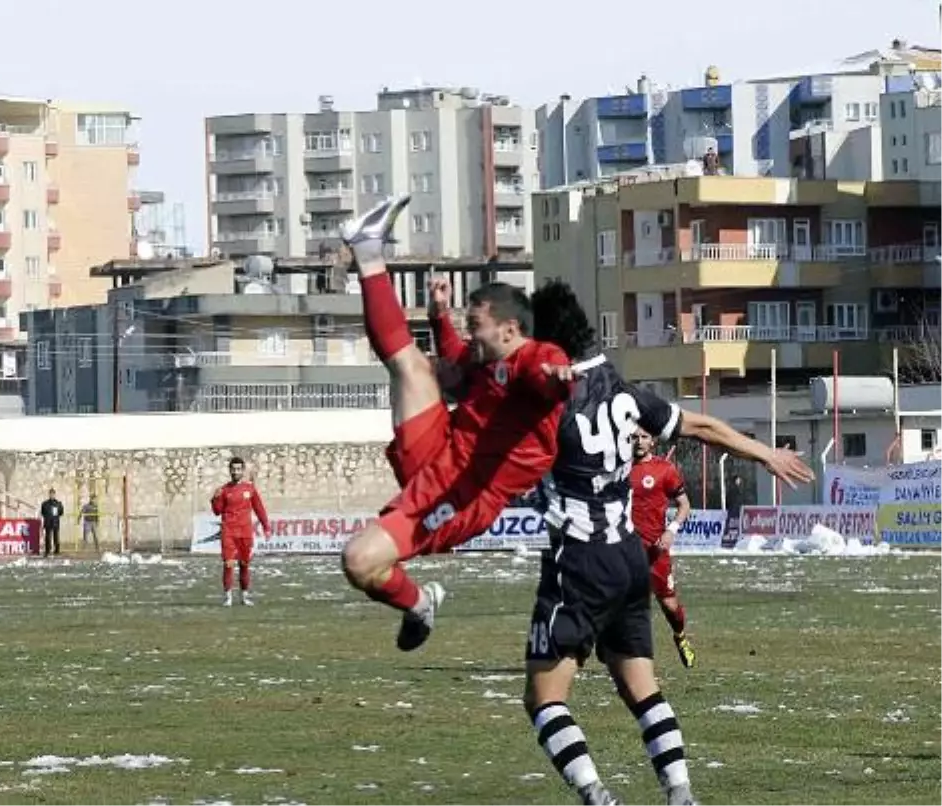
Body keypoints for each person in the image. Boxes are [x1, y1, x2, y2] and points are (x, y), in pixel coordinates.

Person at [521, 279, 814, 806]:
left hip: (579, 561)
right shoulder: (623, 393)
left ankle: (597, 796)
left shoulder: (546, 398)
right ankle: (681, 797)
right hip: (629, 559)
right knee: (641, 688)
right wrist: (765, 453)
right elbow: (701, 426)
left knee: (544, 697)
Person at [337, 193, 572, 652]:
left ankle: (419, 602)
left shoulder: (534, 360)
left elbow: (546, 373)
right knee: (411, 365)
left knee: (359, 561)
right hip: (440, 450)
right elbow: (457, 356)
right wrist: (440, 316)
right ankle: (368, 251)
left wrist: (558, 379)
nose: (470, 332)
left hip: (464, 493)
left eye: (476, 323)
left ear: (509, 330)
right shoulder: (486, 364)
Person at [628, 428, 695, 668]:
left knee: (669, 606)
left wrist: (671, 530)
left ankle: (680, 636)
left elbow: (684, 505)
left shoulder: (664, 470)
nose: (639, 441)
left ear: (653, 441)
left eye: (644, 436)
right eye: (634, 436)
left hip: (655, 552)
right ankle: (630, 659)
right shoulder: (616, 469)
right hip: (623, 551)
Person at [210, 457, 271, 607]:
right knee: (229, 564)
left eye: (238, 469)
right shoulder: (224, 490)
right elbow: (217, 512)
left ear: (242, 471)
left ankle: (244, 596)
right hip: (229, 532)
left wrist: (266, 527)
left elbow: (259, 508)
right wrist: (215, 499)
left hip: (245, 532)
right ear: (230, 470)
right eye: (233, 469)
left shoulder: (249, 489)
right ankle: (228, 597)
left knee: (244, 564)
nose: (236, 472)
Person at [40, 488, 64, 558]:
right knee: (48, 537)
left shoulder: (58, 503)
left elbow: (61, 513)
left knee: (56, 537)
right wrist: (48, 517)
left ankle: (57, 550)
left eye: (53, 494)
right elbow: (43, 512)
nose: (52, 495)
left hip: (55, 522)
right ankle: (47, 550)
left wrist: (55, 516)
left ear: (55, 494)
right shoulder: (45, 503)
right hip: (48, 522)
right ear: (49, 494)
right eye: (50, 494)